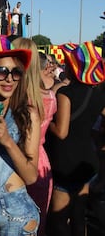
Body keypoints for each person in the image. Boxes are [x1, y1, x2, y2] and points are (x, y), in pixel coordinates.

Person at [0, 37, 40, 235]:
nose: (9, 79)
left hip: (15, 212)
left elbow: (31, 176)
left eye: (16, 73)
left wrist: (7, 141)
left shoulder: (27, 115)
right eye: (1, 71)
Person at [46, 42, 105, 236]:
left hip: (66, 162)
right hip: (87, 160)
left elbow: (61, 132)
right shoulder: (99, 94)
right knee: (79, 215)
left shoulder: (65, 93)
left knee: (59, 218)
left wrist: (46, 122)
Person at [12, 37, 55, 236]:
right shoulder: (49, 96)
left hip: (16, 163)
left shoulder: (15, 99)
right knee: (36, 225)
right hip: (41, 162)